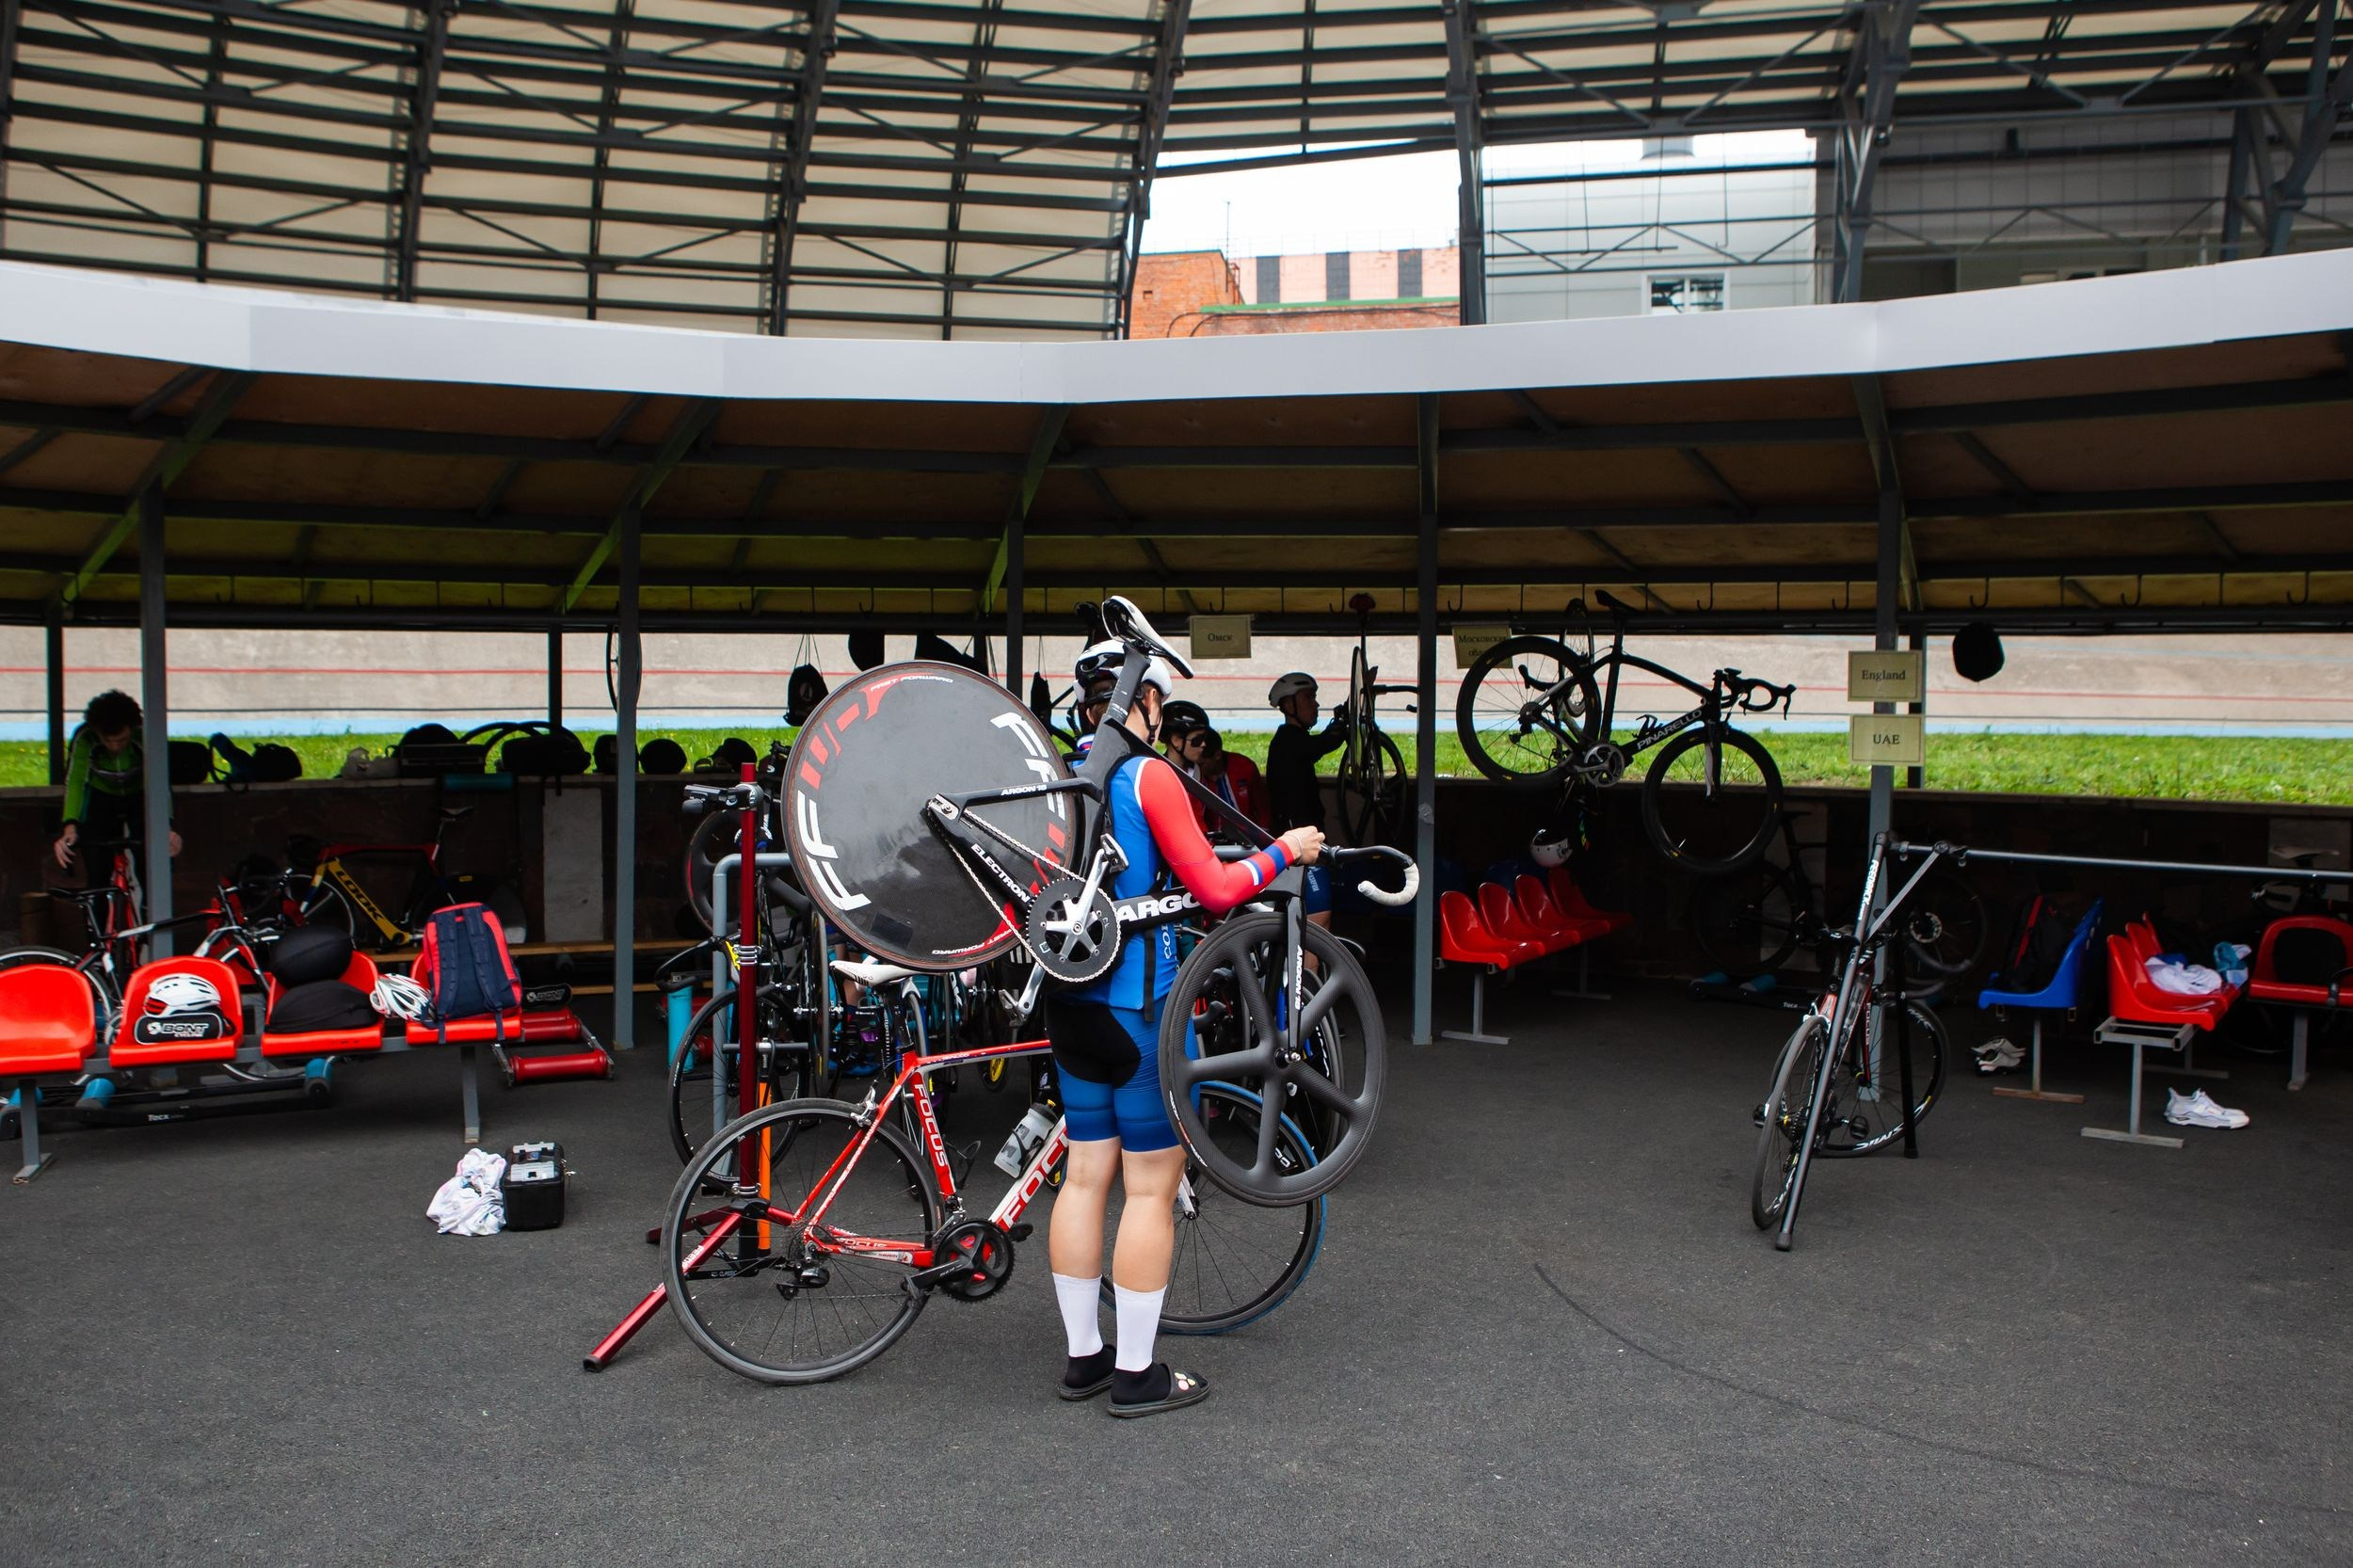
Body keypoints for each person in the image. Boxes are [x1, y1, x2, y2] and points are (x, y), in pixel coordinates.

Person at [1048, 641, 1323, 1417]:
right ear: (1144, 703)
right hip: (1141, 1013)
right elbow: (1216, 886)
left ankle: (1084, 1359)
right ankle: (1136, 1374)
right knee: (1148, 1188)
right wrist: (1284, 850)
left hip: (1070, 1005)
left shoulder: (1061, 777)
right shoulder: (1149, 776)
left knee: (1084, 1174)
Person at [52, 689, 180, 880]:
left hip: (138, 796)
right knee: (97, 870)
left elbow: (160, 782)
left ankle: (148, 907)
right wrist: (70, 826)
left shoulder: (144, 735)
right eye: (107, 740)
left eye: (122, 740)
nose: (114, 747)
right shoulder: (86, 738)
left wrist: (166, 826)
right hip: (102, 798)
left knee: (150, 870)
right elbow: (76, 782)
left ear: (132, 729)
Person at [1264, 671, 1350, 930]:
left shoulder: (1293, 740)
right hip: (1299, 853)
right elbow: (1325, 743)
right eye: (1308, 698)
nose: (1316, 704)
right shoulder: (1287, 741)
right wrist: (1343, 723)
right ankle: (1305, 971)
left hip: (1304, 847)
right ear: (1289, 705)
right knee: (1316, 921)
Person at [1179, 726, 1268, 834]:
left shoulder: (1244, 767)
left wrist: (1263, 835)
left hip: (1248, 840)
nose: (1197, 768)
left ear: (1217, 755)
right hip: (1211, 839)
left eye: (1201, 764)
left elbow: (1262, 806)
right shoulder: (1193, 776)